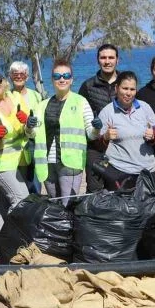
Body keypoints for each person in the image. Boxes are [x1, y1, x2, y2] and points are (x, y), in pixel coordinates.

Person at [0, 67, 37, 232]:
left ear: (4, 80)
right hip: (1, 164)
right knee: (21, 199)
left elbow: (30, 132)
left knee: (3, 204)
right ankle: (13, 239)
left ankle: (0, 241)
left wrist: (28, 123)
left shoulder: (16, 97)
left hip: (22, 159)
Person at [33, 60, 99, 206]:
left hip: (70, 164)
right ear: (52, 80)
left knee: (68, 206)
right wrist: (28, 127)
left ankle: (71, 229)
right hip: (47, 163)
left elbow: (92, 134)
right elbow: (32, 133)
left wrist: (97, 128)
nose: (62, 79)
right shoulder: (42, 105)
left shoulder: (81, 102)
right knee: (54, 205)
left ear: (71, 79)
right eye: (57, 76)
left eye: (66, 75)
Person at [96, 71, 155, 190]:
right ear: (116, 88)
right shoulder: (107, 112)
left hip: (147, 170)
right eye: (125, 88)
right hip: (120, 171)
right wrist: (105, 137)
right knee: (122, 208)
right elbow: (97, 144)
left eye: (132, 89)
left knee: (147, 207)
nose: (128, 93)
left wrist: (153, 136)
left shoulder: (145, 107)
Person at [78, 44, 120, 192]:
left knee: (118, 189)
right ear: (98, 60)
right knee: (94, 191)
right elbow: (80, 117)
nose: (107, 61)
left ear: (117, 60)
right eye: (103, 57)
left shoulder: (125, 83)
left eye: (111, 57)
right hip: (95, 147)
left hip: (120, 145)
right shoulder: (88, 86)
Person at [9, 61, 43, 195]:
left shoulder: (36, 95)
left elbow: (41, 121)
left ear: (27, 76)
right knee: (18, 186)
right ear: (10, 76)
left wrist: (30, 122)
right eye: (15, 74)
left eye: (22, 74)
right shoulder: (6, 96)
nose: (18, 77)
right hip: (14, 146)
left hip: (33, 144)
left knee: (34, 183)